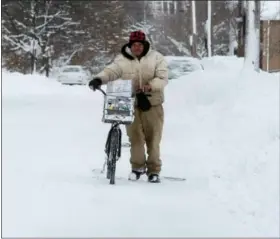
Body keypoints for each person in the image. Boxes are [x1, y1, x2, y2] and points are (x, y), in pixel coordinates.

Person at [88, 30, 168, 183]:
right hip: (130, 104)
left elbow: (162, 78)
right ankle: (137, 168)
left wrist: (149, 86)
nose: (137, 48)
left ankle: (153, 170)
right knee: (135, 138)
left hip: (153, 103)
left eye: (140, 45)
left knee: (153, 138)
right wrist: (98, 79)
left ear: (145, 45)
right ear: (130, 45)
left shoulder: (157, 58)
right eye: (134, 45)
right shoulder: (121, 59)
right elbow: (110, 72)